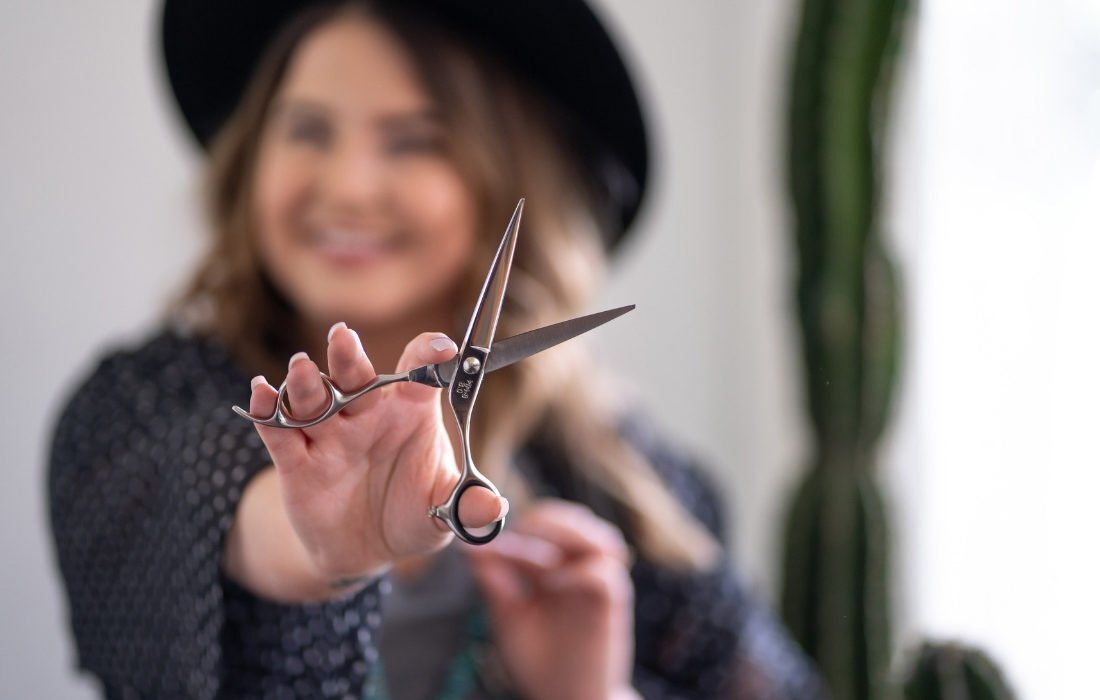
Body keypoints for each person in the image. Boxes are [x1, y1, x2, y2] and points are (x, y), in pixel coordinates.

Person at [47, 1, 822, 698]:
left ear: (507, 180)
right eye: (308, 129)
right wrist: (320, 545)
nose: (349, 186)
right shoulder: (141, 409)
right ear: (251, 158)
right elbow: (205, 507)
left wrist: (589, 695)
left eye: (415, 142)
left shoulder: (629, 482)